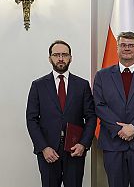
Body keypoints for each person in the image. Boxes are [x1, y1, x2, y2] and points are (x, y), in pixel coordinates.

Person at [26, 40, 96, 187]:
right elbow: (31, 119)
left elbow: (91, 117)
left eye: (64, 55)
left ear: (71, 57)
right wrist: (43, 147)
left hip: (75, 150)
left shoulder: (82, 85)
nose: (60, 58)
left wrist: (83, 144)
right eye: (56, 55)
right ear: (50, 58)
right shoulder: (38, 85)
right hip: (48, 152)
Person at [93, 32, 134, 187]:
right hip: (113, 143)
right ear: (117, 48)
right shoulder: (102, 75)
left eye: (131, 45)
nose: (127, 48)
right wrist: (119, 129)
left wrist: (133, 128)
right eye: (123, 45)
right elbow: (99, 105)